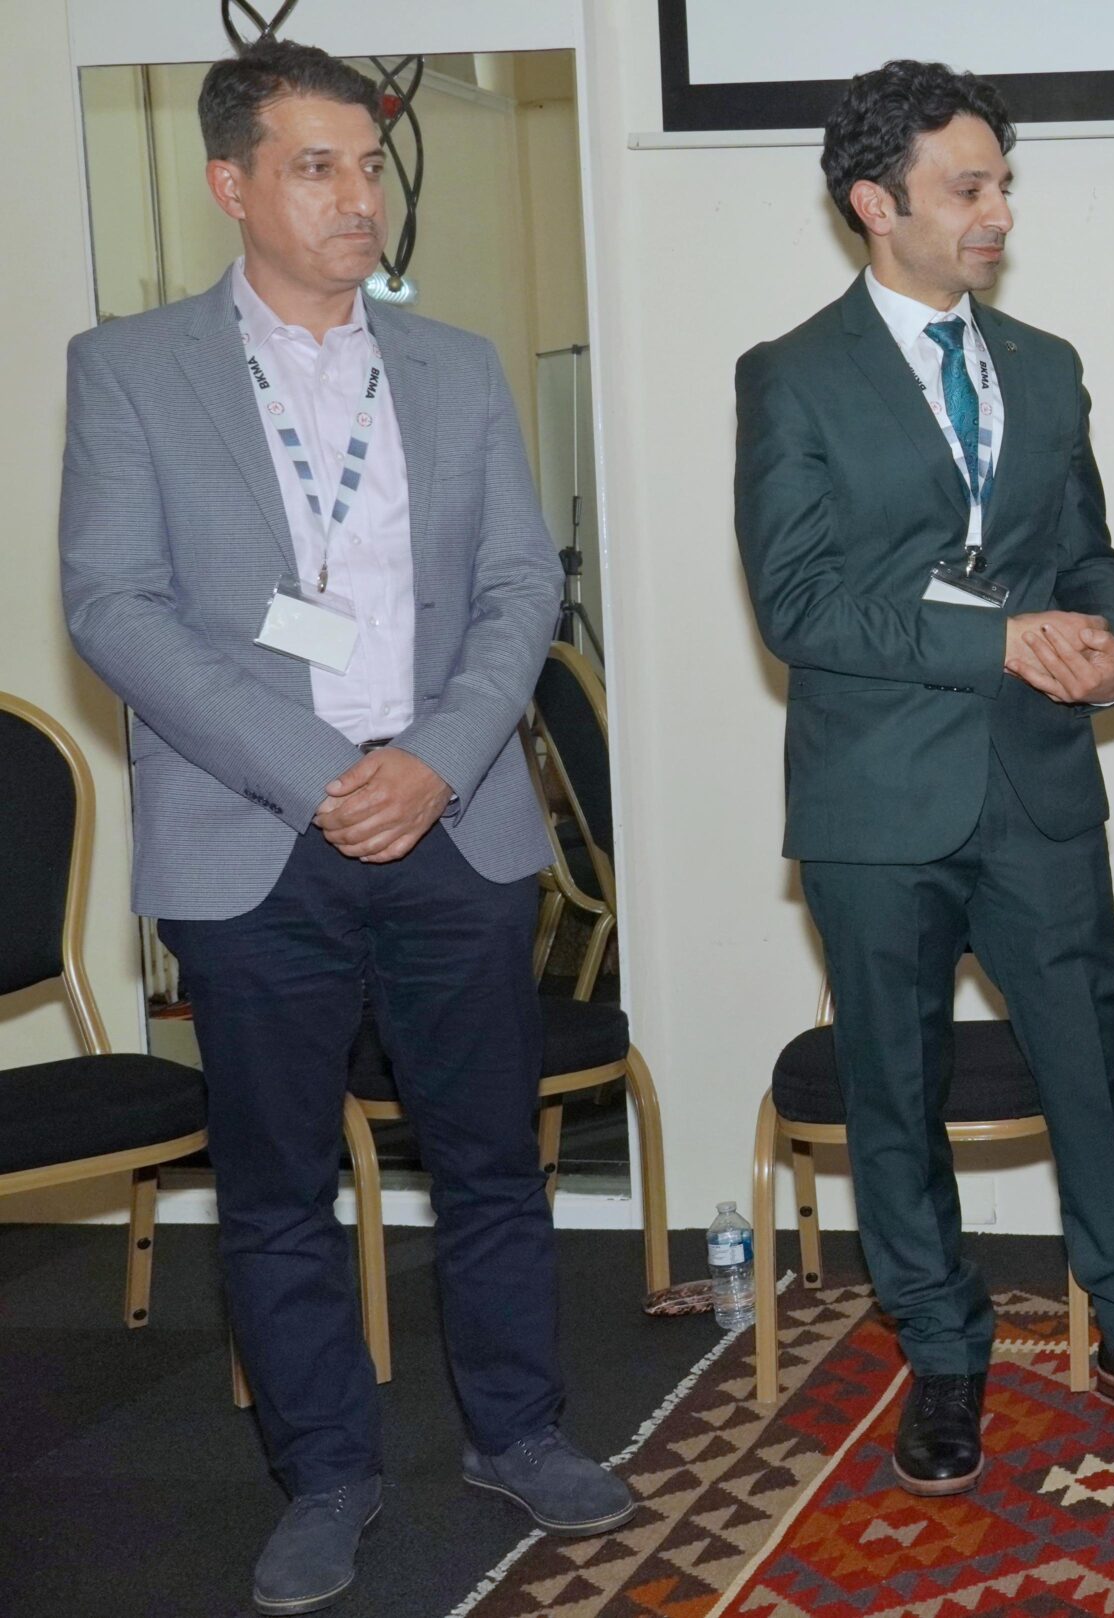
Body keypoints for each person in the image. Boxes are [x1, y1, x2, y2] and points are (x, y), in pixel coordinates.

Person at [57, 38, 630, 1616]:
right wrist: (318, 771)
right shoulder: (130, 370)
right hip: (258, 831)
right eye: (316, 166)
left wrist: (433, 761)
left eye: (367, 164)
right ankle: (323, 1473)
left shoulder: (453, 365)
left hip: (453, 821)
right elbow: (115, 604)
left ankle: (519, 1428)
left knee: (491, 1160)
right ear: (231, 184)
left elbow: (520, 584)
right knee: (276, 1181)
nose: (356, 195)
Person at [733, 59, 1114, 1497]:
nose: (998, 212)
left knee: (1092, 1060)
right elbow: (799, 604)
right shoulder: (792, 375)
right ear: (874, 202)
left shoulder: (1043, 365)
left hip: (1036, 784)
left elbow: (1087, 552)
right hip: (873, 801)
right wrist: (997, 639)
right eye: (967, 187)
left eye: (1004, 184)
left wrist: (1109, 649)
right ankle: (944, 1354)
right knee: (894, 1088)